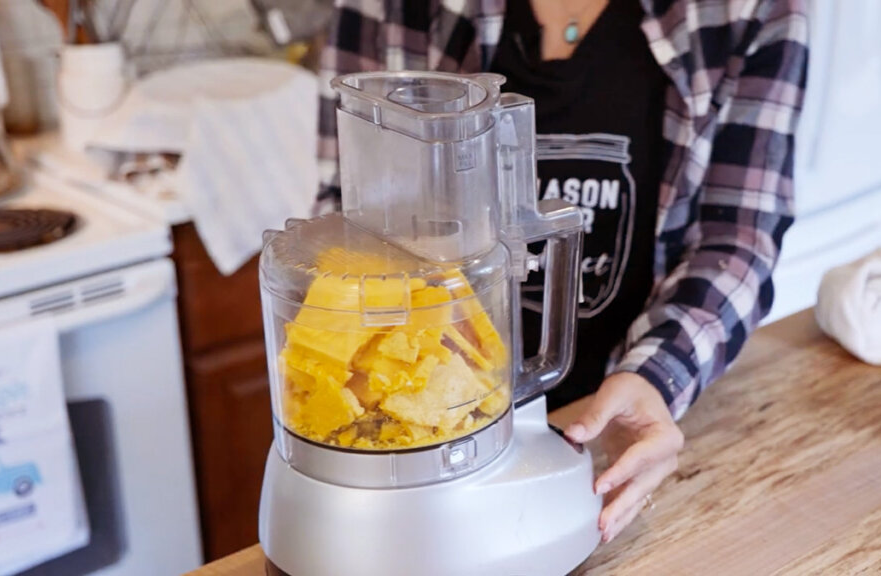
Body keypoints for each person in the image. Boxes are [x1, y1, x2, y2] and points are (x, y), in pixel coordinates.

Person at [308, 0, 808, 543]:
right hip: (427, 431)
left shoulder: (748, 11)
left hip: (624, 421)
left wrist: (657, 375)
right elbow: (349, 217)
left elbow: (734, 238)